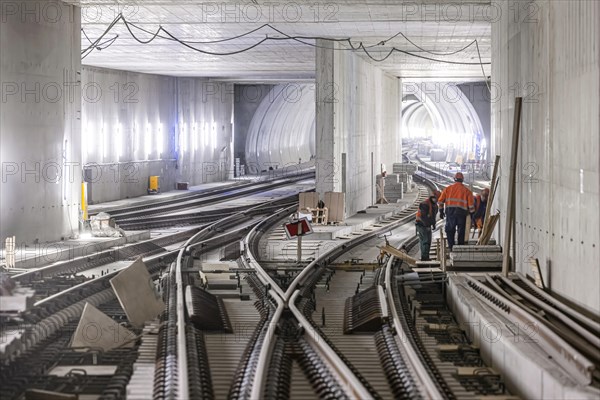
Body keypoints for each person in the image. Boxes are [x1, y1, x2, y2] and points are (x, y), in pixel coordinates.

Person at [438, 172, 475, 250]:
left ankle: (451, 247)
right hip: (462, 213)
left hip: (450, 212)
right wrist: (472, 216)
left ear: (454, 179)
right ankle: (460, 248)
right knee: (461, 231)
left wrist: (441, 211)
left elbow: (440, 201)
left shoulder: (447, 189)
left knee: (450, 230)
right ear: (462, 180)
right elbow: (471, 206)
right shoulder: (467, 191)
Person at [415, 190, 441, 261]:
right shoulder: (425, 204)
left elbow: (432, 217)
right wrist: (427, 226)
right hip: (421, 224)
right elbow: (423, 217)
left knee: (426, 241)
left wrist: (433, 224)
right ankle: (425, 258)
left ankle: (425, 256)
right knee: (426, 241)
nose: (436, 200)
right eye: (436, 198)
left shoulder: (434, 205)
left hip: (426, 224)